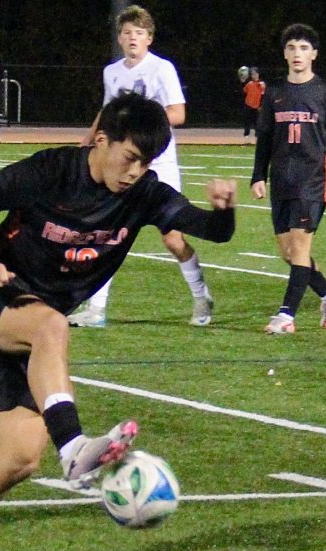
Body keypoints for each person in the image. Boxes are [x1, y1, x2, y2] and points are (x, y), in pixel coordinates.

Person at [0, 92, 236, 551]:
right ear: (102, 139)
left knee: (19, 459)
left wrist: (224, 210)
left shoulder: (145, 194)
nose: (136, 171)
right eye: (130, 157)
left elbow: (213, 231)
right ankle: (74, 449)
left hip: (32, 333)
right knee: (52, 323)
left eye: (147, 162)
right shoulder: (52, 171)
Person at [72, 4, 213, 328]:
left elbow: (178, 113)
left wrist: (142, 124)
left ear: (149, 38)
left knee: (172, 239)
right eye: (126, 33)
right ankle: (96, 309)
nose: (132, 38)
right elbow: (107, 111)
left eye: (139, 32)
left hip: (159, 164)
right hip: (122, 165)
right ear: (119, 39)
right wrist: (88, 141)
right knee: (105, 233)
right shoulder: (113, 72)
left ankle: (201, 296)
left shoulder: (161, 69)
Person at [251, 23, 326, 335]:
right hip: (281, 179)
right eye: (292, 48)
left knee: (301, 249)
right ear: (284, 53)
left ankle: (286, 316)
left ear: (314, 54)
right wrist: (257, 176)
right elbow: (265, 137)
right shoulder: (274, 93)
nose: (297, 54)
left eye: (304, 48)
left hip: (312, 182)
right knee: (289, 253)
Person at [242, 67, 265, 142]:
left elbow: (263, 95)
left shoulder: (262, 84)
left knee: (257, 122)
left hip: (257, 106)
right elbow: (244, 92)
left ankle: (257, 136)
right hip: (248, 105)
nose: (254, 75)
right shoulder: (249, 84)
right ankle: (246, 135)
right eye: (252, 74)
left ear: (258, 74)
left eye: (255, 73)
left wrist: (261, 105)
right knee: (247, 121)